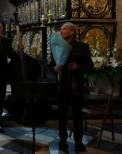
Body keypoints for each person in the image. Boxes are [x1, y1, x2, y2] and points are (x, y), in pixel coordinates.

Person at [51, 22, 93, 153]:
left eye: (64, 29)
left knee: (77, 115)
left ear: (72, 32)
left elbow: (90, 66)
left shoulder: (82, 47)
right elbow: (51, 65)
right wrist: (55, 68)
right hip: (63, 86)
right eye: (61, 30)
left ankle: (78, 142)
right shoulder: (57, 46)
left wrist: (78, 67)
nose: (62, 31)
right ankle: (62, 140)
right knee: (62, 115)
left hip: (76, 86)